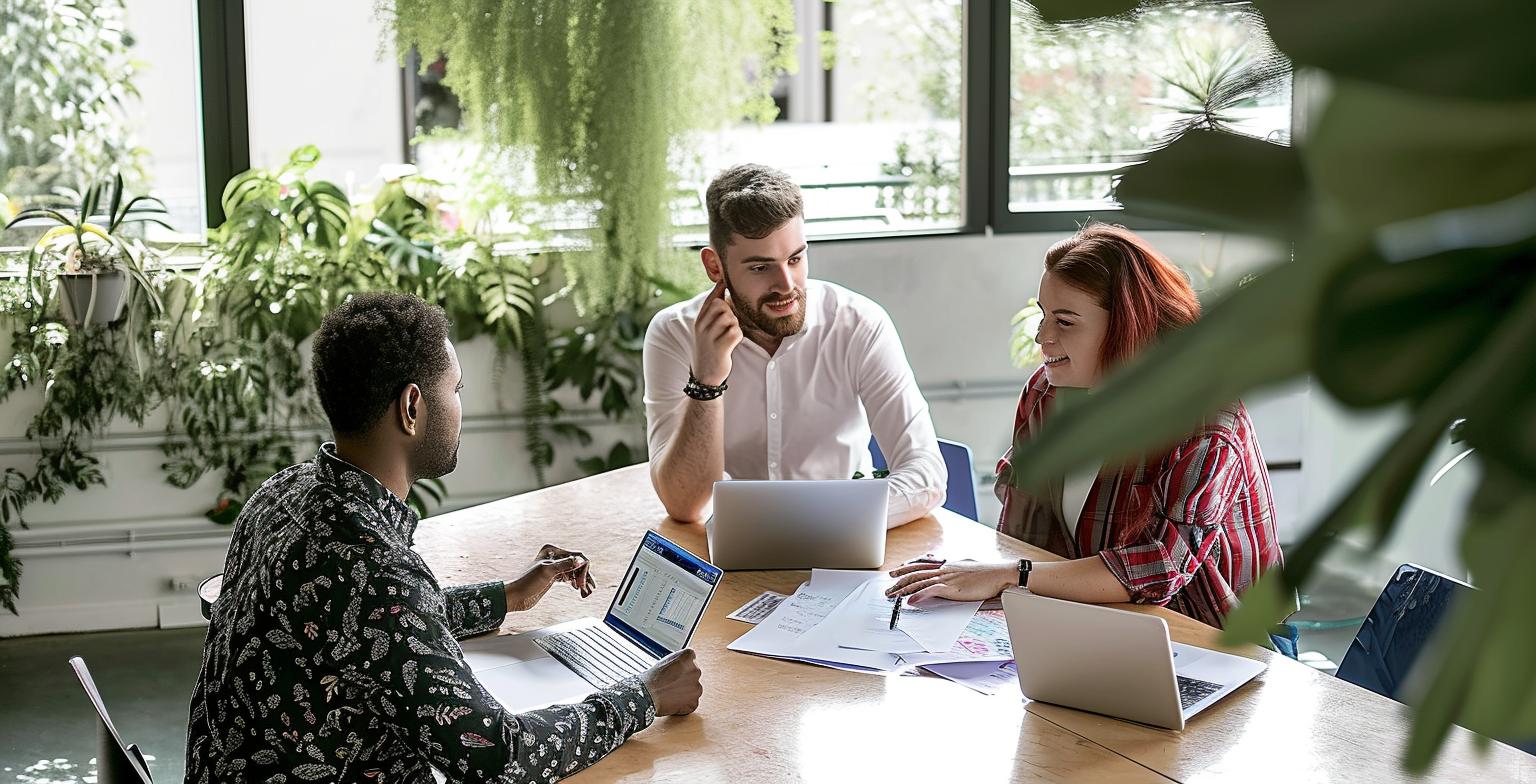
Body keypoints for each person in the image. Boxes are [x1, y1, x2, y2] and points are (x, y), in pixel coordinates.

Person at [185, 293, 702, 783]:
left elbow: (368, 630)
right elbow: (498, 756)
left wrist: (507, 597)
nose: (460, 409)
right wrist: (644, 697)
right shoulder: (374, 570)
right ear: (411, 408)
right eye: (454, 390)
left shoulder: (281, 495)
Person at [886, 224, 1283, 629]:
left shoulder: (1205, 422)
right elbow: (1027, 535)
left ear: (1131, 324)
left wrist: (1011, 576)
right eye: (1043, 316)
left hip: (1225, 637)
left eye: (1065, 322)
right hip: (1102, 620)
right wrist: (983, 580)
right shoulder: (1047, 393)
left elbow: (1159, 567)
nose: (1042, 336)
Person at [644, 163, 946, 526]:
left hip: (843, 540)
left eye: (795, 258)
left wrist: (817, 521)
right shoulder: (674, 333)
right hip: (730, 557)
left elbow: (926, 474)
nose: (786, 284)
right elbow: (684, 505)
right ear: (715, 267)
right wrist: (706, 381)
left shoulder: (858, 324)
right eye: (760, 268)